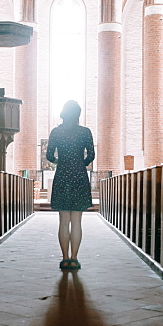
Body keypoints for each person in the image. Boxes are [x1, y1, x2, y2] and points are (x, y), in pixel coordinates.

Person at [45, 100, 95, 270]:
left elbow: (49, 156)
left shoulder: (56, 132)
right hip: (79, 176)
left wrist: (61, 161)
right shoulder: (85, 132)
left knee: (63, 221)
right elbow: (91, 155)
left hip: (63, 175)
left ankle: (64, 258)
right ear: (78, 114)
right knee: (77, 221)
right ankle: (74, 258)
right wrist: (81, 163)